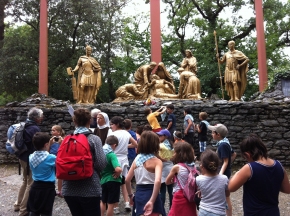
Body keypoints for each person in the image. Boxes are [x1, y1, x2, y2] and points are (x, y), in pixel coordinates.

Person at [228, 134, 290, 215]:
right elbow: (287, 189)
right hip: (273, 212)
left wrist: (237, 173)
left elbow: (230, 187)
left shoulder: (249, 168)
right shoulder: (279, 165)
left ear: (247, 154)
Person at [61, 108, 107, 216]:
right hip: (90, 187)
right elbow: (101, 163)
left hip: (69, 188)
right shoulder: (94, 139)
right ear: (90, 121)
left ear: (74, 121)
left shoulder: (67, 139)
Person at [125, 131, 166, 216]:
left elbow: (127, 180)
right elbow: (157, 181)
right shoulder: (157, 161)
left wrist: (130, 195)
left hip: (139, 194)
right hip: (152, 194)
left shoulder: (137, 160)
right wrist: (151, 201)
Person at [14, 107, 43, 216]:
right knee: (30, 183)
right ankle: (23, 210)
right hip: (29, 158)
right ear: (36, 118)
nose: (42, 118)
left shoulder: (24, 125)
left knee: (25, 181)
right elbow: (37, 145)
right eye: (41, 116)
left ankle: (17, 205)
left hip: (21, 157)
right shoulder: (34, 129)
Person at [109, 116, 138, 213]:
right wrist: (125, 146)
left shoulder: (112, 134)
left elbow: (109, 147)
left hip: (115, 159)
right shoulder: (126, 133)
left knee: (115, 182)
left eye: (112, 124)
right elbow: (135, 144)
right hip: (124, 159)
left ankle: (116, 207)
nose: (111, 126)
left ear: (116, 124)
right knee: (124, 182)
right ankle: (126, 202)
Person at [27, 132, 57, 216]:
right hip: (47, 188)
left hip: (35, 187)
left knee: (34, 210)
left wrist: (47, 145)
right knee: (46, 212)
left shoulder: (30, 156)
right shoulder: (51, 158)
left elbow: (41, 155)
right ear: (46, 144)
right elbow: (61, 161)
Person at [165, 142, 198, 216]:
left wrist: (173, 179)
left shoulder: (177, 167)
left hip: (179, 195)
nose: (173, 154)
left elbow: (167, 182)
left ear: (179, 154)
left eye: (175, 153)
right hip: (190, 196)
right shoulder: (193, 166)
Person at [207, 123, 232, 216]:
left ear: (218, 134)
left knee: (226, 197)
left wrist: (220, 173)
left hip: (223, 172)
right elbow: (233, 154)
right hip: (225, 171)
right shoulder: (225, 142)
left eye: (213, 132)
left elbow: (225, 161)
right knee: (225, 196)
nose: (211, 134)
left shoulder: (223, 145)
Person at [196, 149, 229, 216]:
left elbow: (206, 186)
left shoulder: (198, 179)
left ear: (202, 166)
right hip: (219, 212)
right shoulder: (224, 178)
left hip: (203, 211)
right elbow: (227, 194)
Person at [100, 135, 122, 216]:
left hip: (103, 180)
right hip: (113, 180)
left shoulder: (101, 154)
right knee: (111, 203)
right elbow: (118, 169)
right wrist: (119, 172)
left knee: (103, 201)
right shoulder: (111, 155)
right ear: (114, 145)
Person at [156, 129, 174, 210]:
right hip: (171, 166)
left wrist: (161, 159)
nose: (159, 137)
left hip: (163, 167)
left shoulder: (161, 145)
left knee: (162, 190)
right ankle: (172, 209)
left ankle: (162, 209)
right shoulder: (171, 145)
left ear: (165, 136)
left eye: (160, 135)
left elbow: (154, 152)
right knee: (171, 190)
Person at [50, 125, 65, 196]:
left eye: (54, 130)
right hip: (52, 160)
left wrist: (61, 143)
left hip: (60, 159)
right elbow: (48, 150)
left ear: (59, 132)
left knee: (60, 176)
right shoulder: (51, 140)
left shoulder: (63, 139)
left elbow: (65, 150)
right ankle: (52, 189)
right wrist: (50, 143)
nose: (52, 132)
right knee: (52, 174)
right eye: (52, 130)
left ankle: (60, 190)